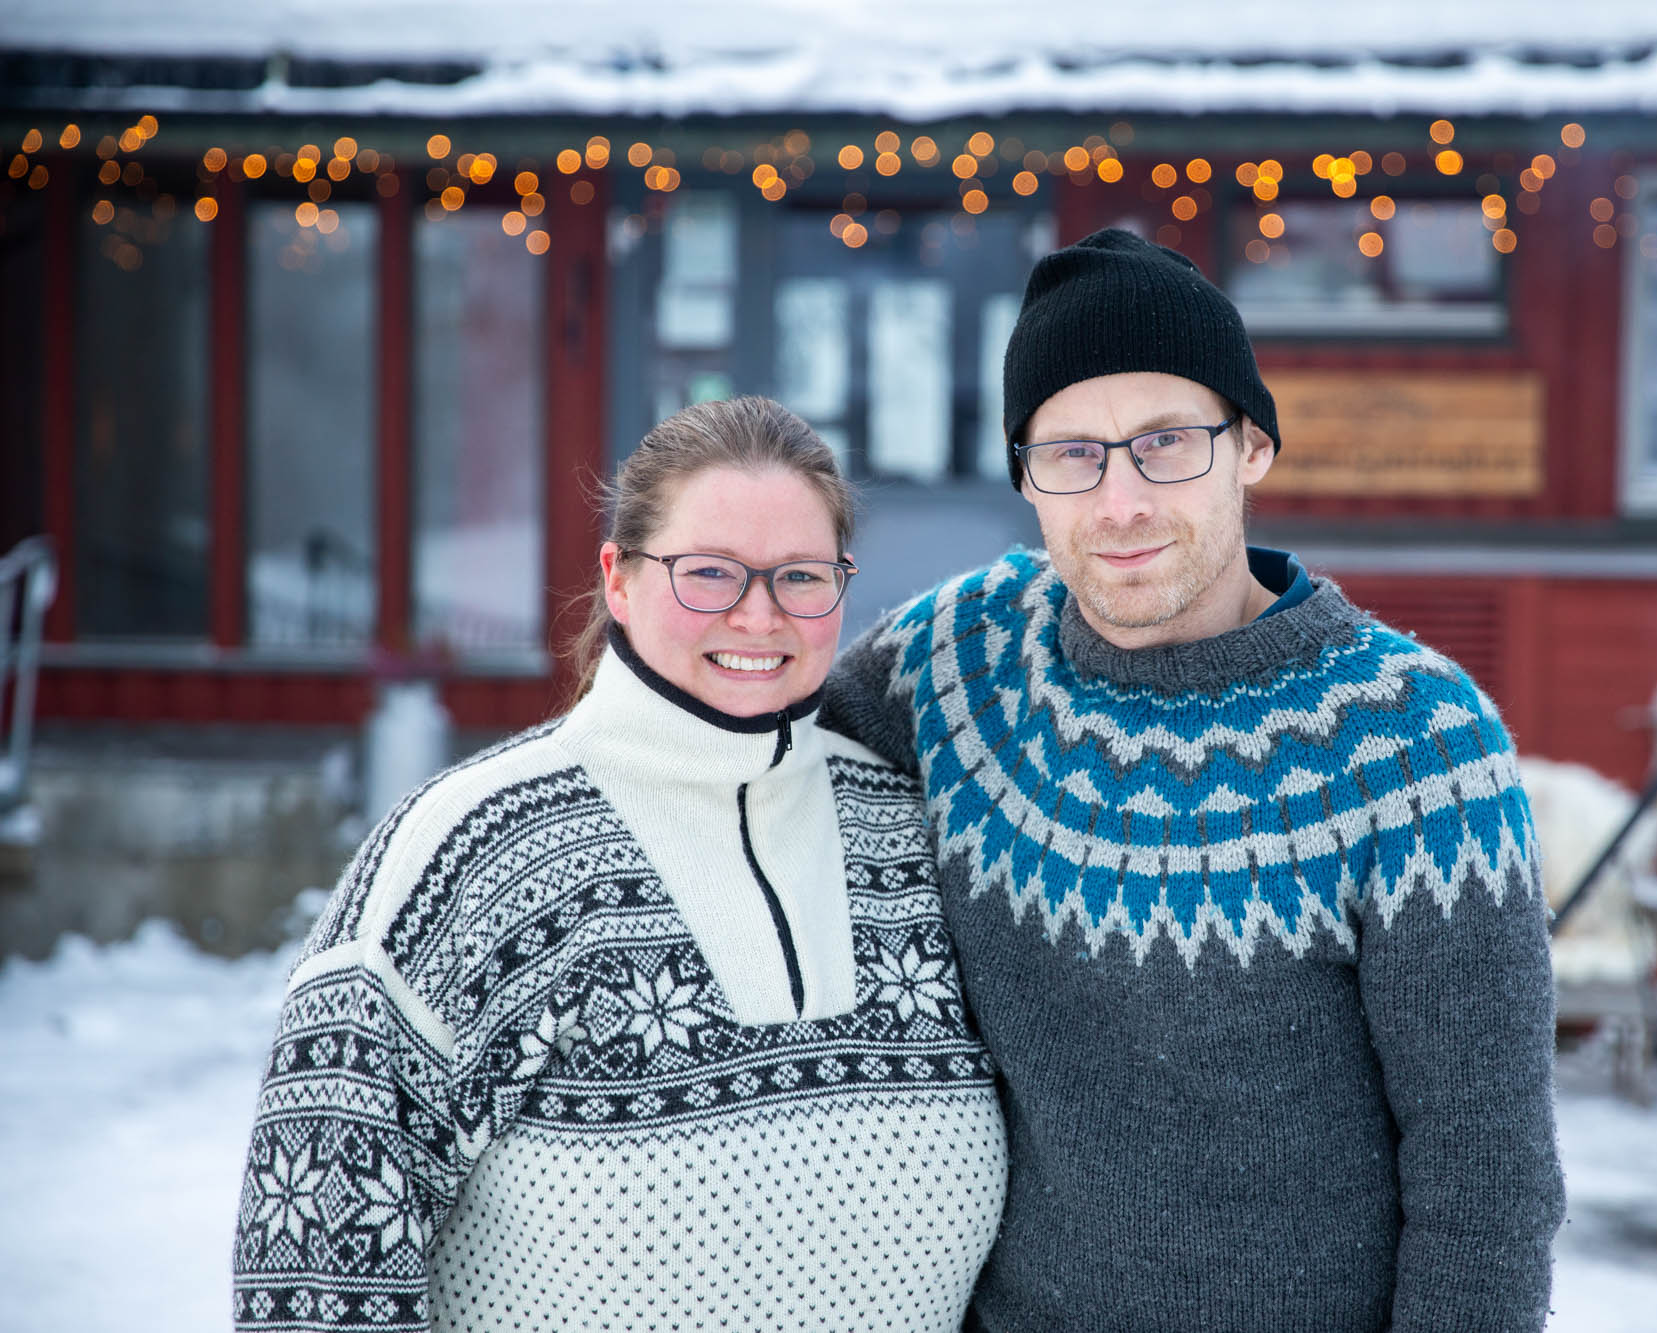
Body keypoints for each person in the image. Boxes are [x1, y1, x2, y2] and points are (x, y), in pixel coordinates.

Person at [820, 229, 1565, 1332]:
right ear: (1026, 474)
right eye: (1071, 453)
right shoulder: (958, 657)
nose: (1118, 500)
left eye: (1165, 442)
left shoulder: (1412, 743)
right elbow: (754, 768)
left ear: (1251, 445)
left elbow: (1485, 1185)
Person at [231, 397, 1006, 1332]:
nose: (759, 615)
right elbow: (315, 1275)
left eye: (801, 575)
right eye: (709, 573)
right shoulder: (473, 856)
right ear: (620, 580)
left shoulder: (912, 835)